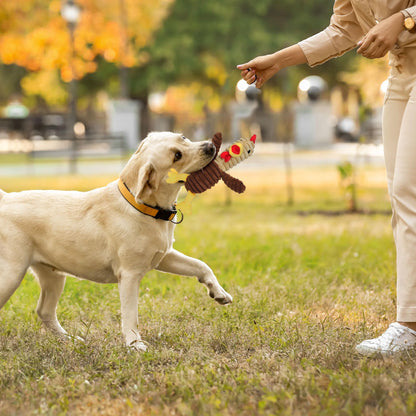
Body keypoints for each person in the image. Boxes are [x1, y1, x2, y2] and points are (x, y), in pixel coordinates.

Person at [238, 1, 416, 356]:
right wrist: (277, 59)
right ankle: (409, 322)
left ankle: (408, 324)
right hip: (401, 76)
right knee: (401, 201)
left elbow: (396, 20)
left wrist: (404, 20)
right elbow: (343, 30)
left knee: (408, 190)